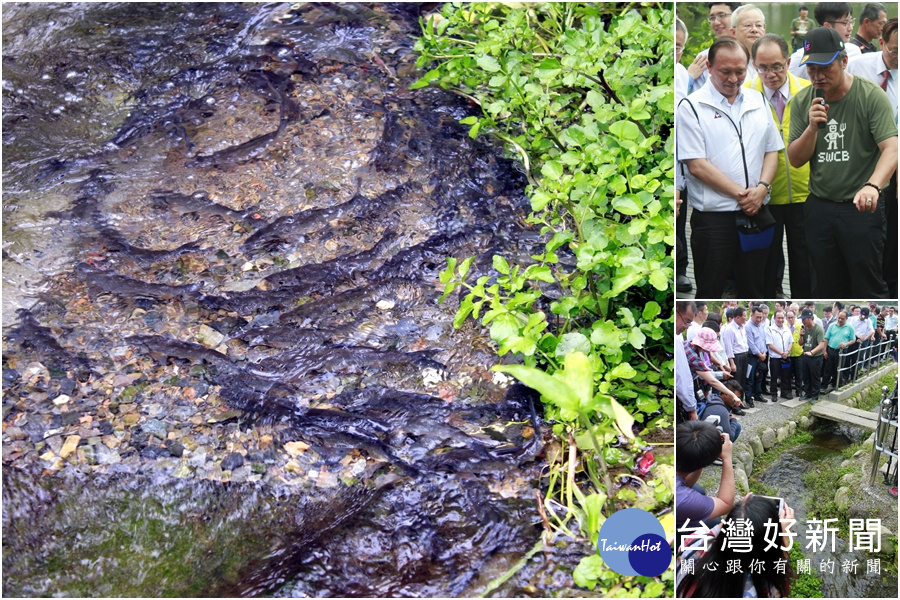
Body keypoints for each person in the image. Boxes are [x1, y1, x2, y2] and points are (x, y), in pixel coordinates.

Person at [787, 27, 898, 297]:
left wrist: (873, 185)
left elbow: (892, 148)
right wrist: (812, 128)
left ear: (844, 61)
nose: (818, 76)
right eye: (811, 69)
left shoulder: (871, 96)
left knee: (867, 282)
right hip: (819, 207)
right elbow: (796, 159)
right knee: (824, 283)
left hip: (861, 208)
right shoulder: (803, 101)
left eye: (825, 68)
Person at [678, 37, 782, 298]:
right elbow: (697, 165)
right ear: (710, 67)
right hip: (714, 220)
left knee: (754, 289)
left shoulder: (757, 100)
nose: (734, 79)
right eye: (726, 71)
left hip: (755, 212)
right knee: (710, 289)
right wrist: (742, 194)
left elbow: (772, 150)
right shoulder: (691, 106)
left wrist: (762, 188)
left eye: (740, 71)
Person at [747, 34, 813, 298]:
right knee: (765, 266)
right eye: (763, 67)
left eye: (777, 66)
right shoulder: (746, 96)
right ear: (754, 65)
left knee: (805, 265)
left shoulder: (808, 90)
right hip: (766, 196)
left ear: (787, 61)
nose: (771, 74)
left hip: (806, 193)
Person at [847, 17, 898, 297]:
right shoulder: (858, 67)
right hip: (865, 162)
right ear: (882, 43)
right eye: (894, 51)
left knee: (893, 238)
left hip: (896, 165)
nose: (899, 58)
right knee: (869, 234)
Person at [677, 494, 796, 598]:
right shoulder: (768, 590)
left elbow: (717, 530)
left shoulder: (693, 543)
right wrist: (783, 536)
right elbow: (780, 572)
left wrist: (740, 514)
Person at [675, 420, 735, 534]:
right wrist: (727, 458)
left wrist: (701, 456)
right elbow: (725, 504)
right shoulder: (684, 499)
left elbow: (686, 482)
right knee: (714, 522)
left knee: (699, 490)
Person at [789, 3, 862, 81]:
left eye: (851, 21)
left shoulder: (854, 51)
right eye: (845, 23)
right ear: (827, 26)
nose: (850, 28)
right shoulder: (801, 58)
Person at [687, 2, 742, 95]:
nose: (716, 22)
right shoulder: (704, 58)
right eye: (712, 18)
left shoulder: (753, 52)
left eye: (722, 15)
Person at [722, 306, 751, 403]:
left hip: (744, 355)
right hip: (736, 357)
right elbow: (729, 347)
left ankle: (741, 401)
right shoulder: (729, 329)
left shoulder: (743, 327)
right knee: (736, 382)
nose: (746, 318)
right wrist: (732, 363)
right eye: (744, 316)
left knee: (743, 380)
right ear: (737, 317)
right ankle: (734, 403)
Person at [729, 5, 766, 82]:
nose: (754, 30)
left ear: (764, 32)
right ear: (733, 32)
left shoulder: (771, 60)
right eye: (748, 25)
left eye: (759, 25)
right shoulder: (725, 61)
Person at [823, 310, 855, 390]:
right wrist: (825, 350)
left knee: (838, 368)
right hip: (831, 349)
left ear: (846, 318)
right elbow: (826, 338)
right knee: (827, 368)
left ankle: (836, 384)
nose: (840, 320)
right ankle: (824, 385)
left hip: (841, 351)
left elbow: (853, 340)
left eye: (842, 319)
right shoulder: (832, 325)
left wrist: (845, 344)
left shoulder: (850, 328)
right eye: (839, 318)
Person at [798, 308, 826, 403]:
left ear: (810, 318)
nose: (802, 321)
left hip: (816, 357)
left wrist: (812, 352)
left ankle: (815, 396)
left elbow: (821, 344)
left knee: (815, 377)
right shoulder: (804, 328)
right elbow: (800, 343)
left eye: (804, 319)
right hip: (805, 356)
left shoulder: (818, 329)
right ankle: (807, 393)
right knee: (806, 376)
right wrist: (801, 335)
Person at [767, 309, 794, 401]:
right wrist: (781, 353)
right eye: (778, 318)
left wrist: (787, 351)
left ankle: (784, 392)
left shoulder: (787, 329)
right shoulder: (770, 329)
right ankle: (774, 394)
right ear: (774, 318)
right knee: (774, 377)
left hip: (786, 357)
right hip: (775, 358)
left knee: (786, 376)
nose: (780, 320)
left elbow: (791, 341)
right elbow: (770, 344)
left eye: (782, 318)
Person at [746, 304, 769, 404]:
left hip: (762, 356)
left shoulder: (762, 326)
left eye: (761, 317)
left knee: (759, 376)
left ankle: (758, 395)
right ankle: (748, 398)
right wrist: (759, 355)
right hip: (752, 357)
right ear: (752, 315)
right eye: (757, 317)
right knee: (750, 378)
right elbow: (751, 344)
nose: (759, 319)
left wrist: (763, 353)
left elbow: (764, 341)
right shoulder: (748, 327)